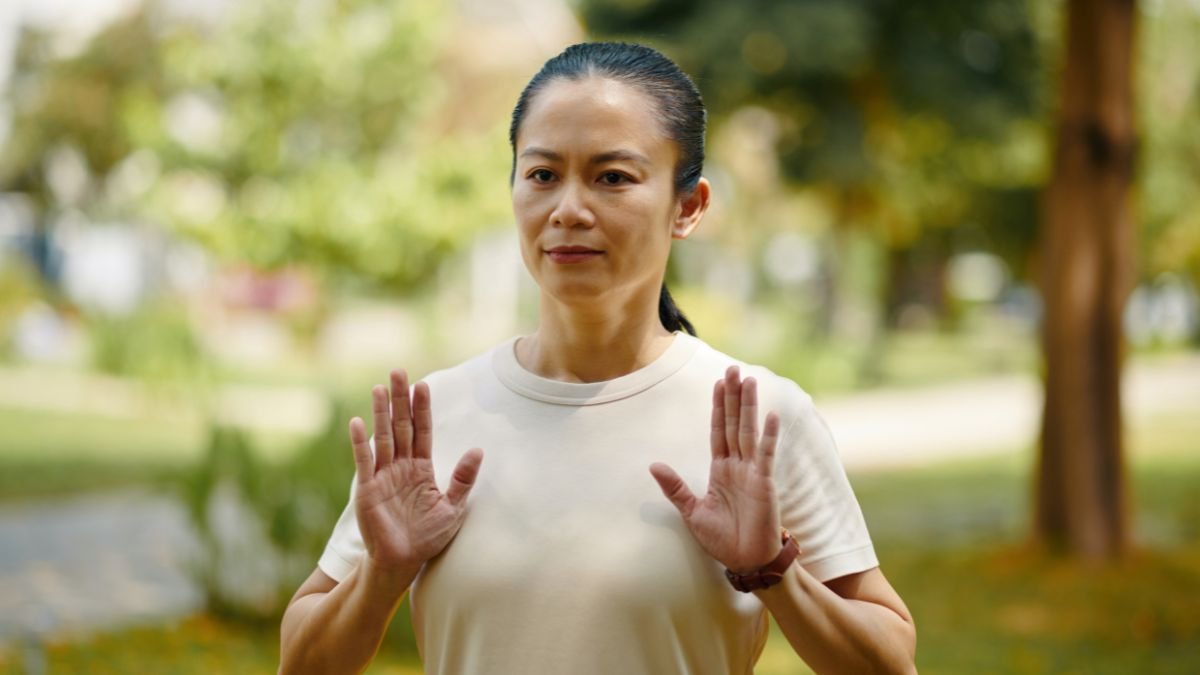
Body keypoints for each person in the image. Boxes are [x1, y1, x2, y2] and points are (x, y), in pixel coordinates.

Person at [279, 42, 916, 675]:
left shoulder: (754, 417)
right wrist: (382, 574)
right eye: (542, 175)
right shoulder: (438, 415)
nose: (569, 210)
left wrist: (773, 572)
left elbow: (891, 663)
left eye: (612, 177)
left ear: (688, 207)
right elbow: (301, 665)